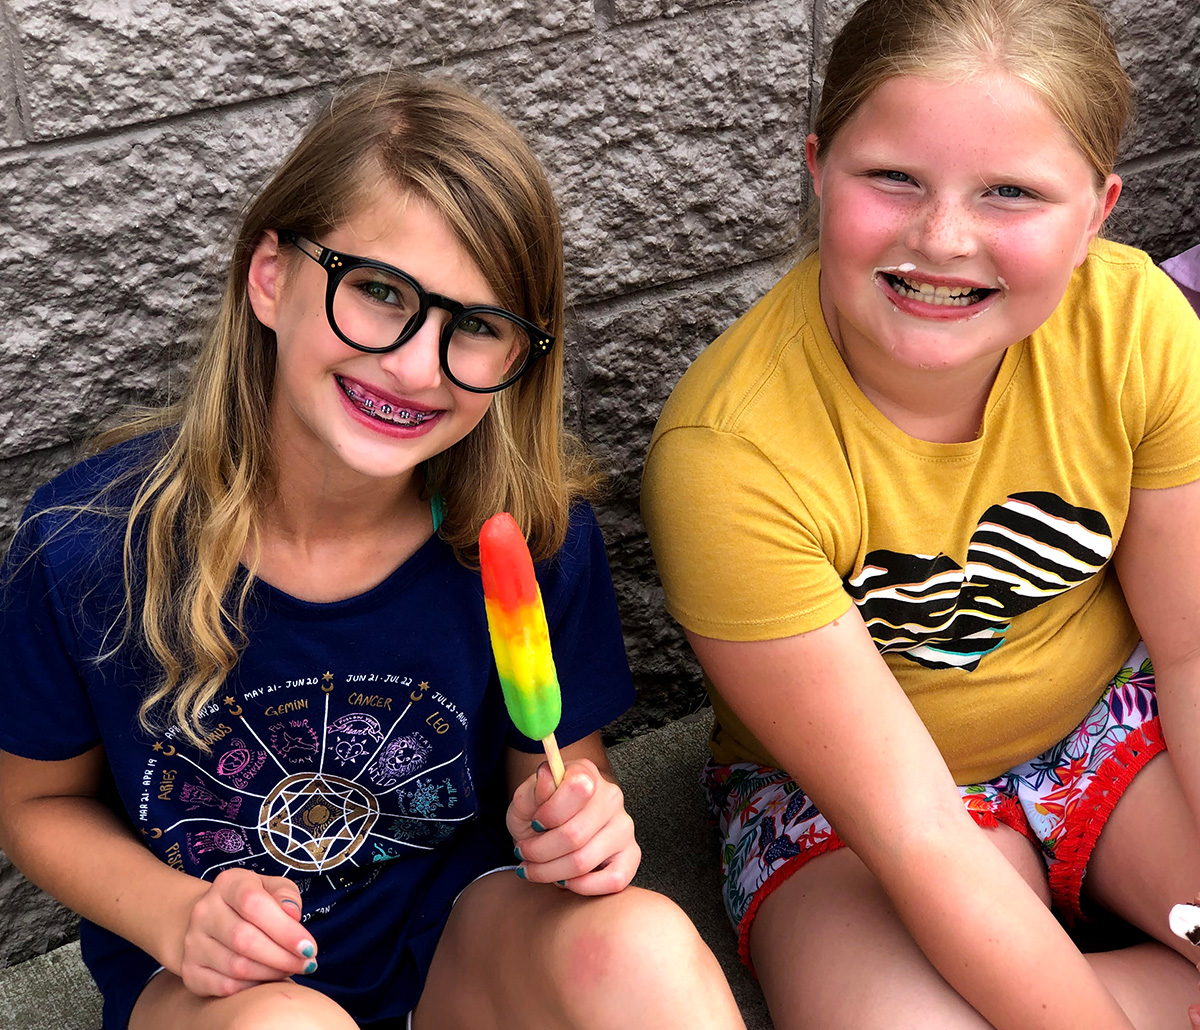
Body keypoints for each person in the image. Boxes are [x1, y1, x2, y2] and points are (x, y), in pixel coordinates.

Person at [0, 74, 745, 1030]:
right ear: (271, 277)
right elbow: (33, 807)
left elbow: (555, 769)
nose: (412, 365)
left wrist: (576, 822)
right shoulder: (91, 548)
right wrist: (178, 915)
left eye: (476, 327)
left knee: (637, 942)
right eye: (381, 292)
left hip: (460, 954)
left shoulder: (531, 539)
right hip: (216, 991)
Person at [641, 0, 1200, 1026]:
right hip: (851, 808)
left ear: (1098, 210)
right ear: (817, 167)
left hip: (1105, 728)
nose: (943, 239)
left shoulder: (1137, 329)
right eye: (892, 177)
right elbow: (913, 830)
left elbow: (1196, 651)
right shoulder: (730, 455)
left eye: (1012, 193)